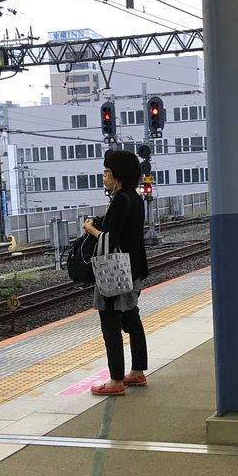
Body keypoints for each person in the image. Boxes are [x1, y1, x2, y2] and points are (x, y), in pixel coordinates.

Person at [83, 150, 150, 396]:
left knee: (110, 320)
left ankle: (115, 380)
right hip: (134, 268)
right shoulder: (135, 197)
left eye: (107, 172)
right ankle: (137, 371)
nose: (104, 177)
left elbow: (110, 240)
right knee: (131, 317)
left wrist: (91, 229)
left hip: (116, 272)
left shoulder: (121, 199)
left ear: (118, 175)